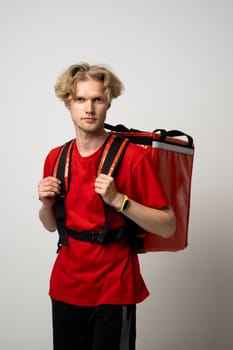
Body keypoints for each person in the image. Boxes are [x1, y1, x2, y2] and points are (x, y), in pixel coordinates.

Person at [38, 62, 176, 350]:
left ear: (108, 102)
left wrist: (119, 200)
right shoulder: (55, 157)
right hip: (65, 286)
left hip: (115, 288)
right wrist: (46, 205)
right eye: (80, 99)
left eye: (97, 99)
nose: (89, 108)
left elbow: (168, 225)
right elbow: (52, 225)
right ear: (68, 103)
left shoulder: (133, 157)